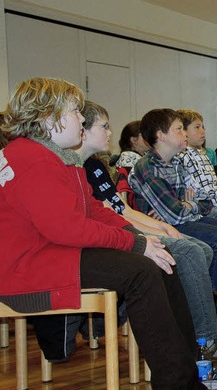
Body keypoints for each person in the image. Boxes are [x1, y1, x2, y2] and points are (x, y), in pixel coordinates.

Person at [0, 77, 206, 390]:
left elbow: (95, 210)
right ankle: (180, 382)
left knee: (161, 258)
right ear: (48, 118)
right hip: (28, 268)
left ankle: (193, 367)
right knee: (142, 270)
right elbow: (66, 228)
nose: (82, 118)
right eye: (74, 111)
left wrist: (140, 239)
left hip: (51, 253)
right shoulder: (30, 157)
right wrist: (135, 244)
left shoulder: (58, 158)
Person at [77, 102, 217, 379]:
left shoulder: (93, 167)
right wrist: (155, 230)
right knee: (195, 250)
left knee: (203, 246)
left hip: (125, 229)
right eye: (104, 126)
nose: (110, 132)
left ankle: (202, 325)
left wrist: (161, 226)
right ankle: (205, 340)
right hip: (106, 243)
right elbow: (166, 210)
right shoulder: (130, 167)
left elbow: (121, 211)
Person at [128, 109, 217, 309]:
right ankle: (215, 296)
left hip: (184, 219)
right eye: (179, 129)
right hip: (166, 226)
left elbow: (205, 200)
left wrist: (187, 204)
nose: (184, 134)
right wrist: (186, 204)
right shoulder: (147, 167)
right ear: (161, 135)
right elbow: (174, 214)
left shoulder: (176, 162)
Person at [114, 120, 149, 209]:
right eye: (144, 134)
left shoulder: (143, 156)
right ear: (134, 140)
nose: (149, 137)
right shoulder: (127, 159)